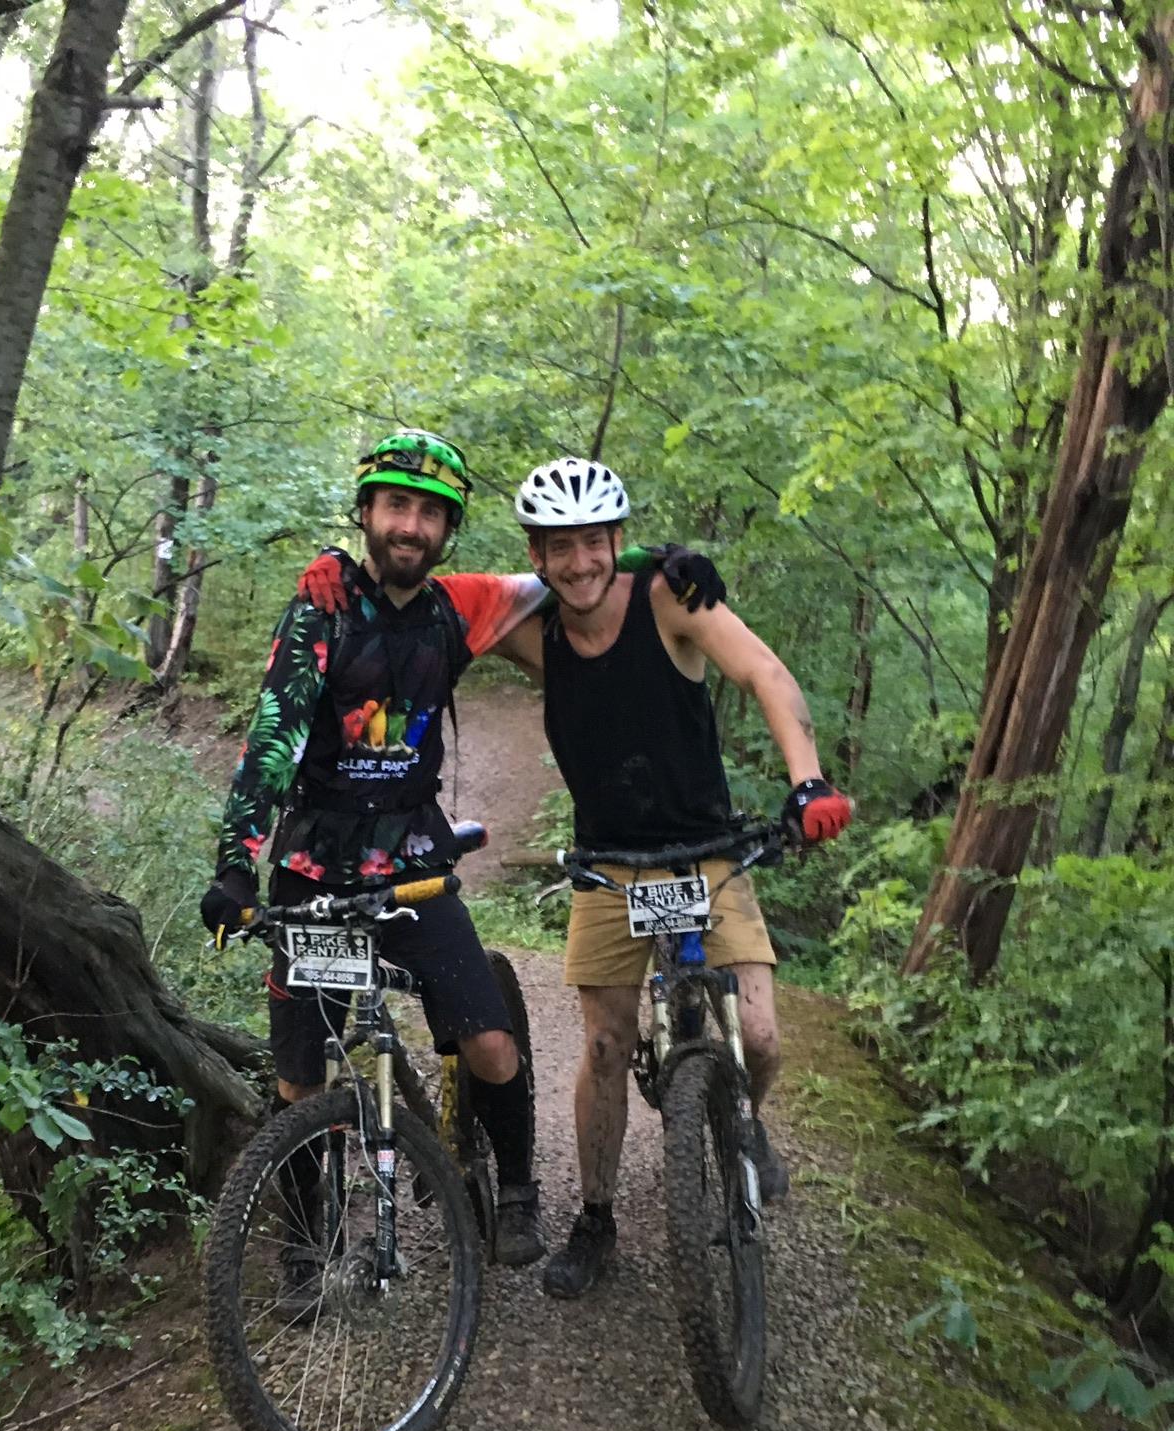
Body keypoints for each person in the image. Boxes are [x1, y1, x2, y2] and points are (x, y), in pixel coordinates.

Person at [297, 453, 850, 1300]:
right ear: (539, 553)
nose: (580, 562)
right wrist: (338, 568)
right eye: (560, 547)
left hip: (707, 849)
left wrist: (807, 779)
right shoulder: (534, 627)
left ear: (618, 541)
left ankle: (744, 1122)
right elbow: (423, 583)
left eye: (599, 544)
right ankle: (595, 1219)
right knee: (602, 1042)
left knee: (764, 1038)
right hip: (607, 862)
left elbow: (765, 674)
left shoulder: (672, 597)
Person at [201, 430, 554, 1264]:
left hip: (413, 865)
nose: (412, 526)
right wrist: (232, 865)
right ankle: (302, 1242)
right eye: (397, 506)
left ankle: (517, 1190)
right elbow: (274, 742)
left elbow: (572, 570)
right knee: (299, 1081)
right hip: (313, 866)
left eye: (432, 514)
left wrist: (655, 559)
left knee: (491, 1043)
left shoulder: (458, 607)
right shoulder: (319, 611)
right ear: (366, 513)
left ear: (448, 531)